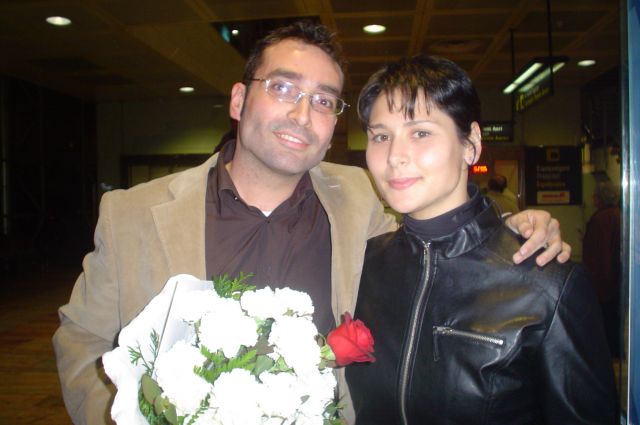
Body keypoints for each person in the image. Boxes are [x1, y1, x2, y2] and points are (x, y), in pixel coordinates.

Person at [52, 22, 571, 425]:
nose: (303, 114)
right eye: (283, 88)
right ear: (239, 100)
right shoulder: (132, 213)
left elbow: (438, 227)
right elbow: (82, 339)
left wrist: (512, 229)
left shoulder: (364, 196)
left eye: (323, 101)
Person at [346, 55, 617, 424]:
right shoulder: (364, 265)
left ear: (471, 143)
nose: (394, 156)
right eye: (381, 136)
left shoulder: (547, 283)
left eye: (421, 133)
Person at [583, 179, 621, 358]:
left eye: (595, 195)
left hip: (603, 285)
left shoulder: (601, 219)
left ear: (600, 198)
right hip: (615, 281)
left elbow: (600, 253)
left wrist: (597, 283)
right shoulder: (619, 215)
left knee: (606, 324)